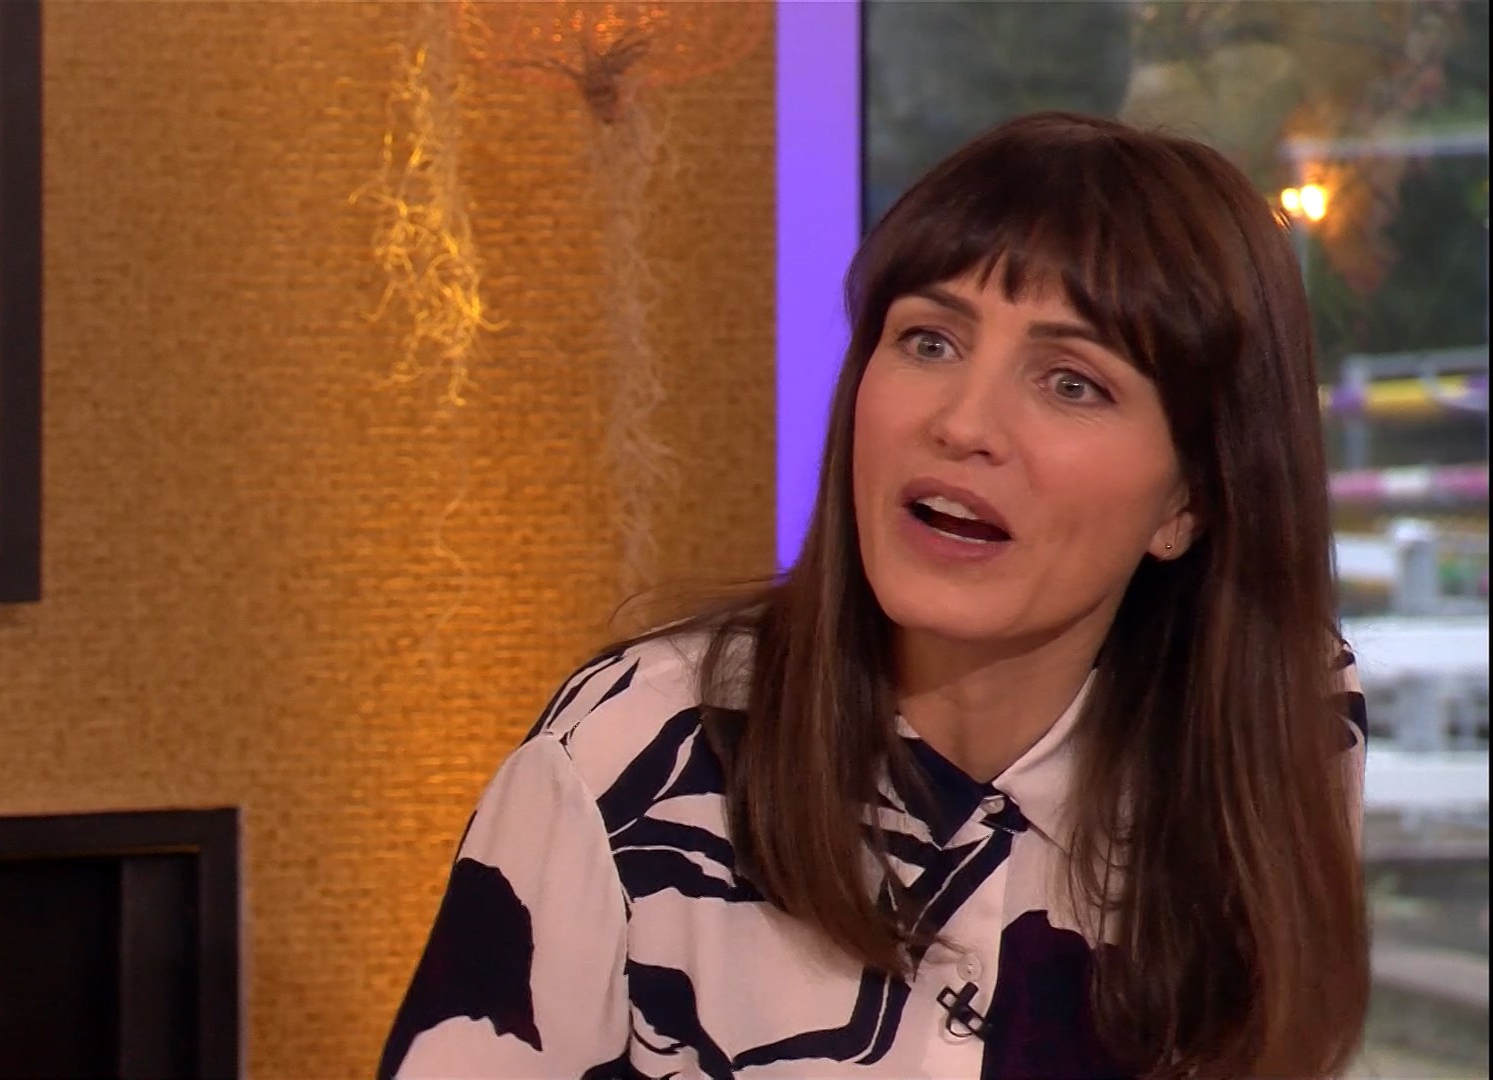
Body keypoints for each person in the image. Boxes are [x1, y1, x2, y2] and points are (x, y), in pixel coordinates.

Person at [378, 112, 1370, 1080]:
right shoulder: (632, 749)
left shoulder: (1278, 722)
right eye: (930, 342)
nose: (963, 424)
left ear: (1190, 500)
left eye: (1071, 382)